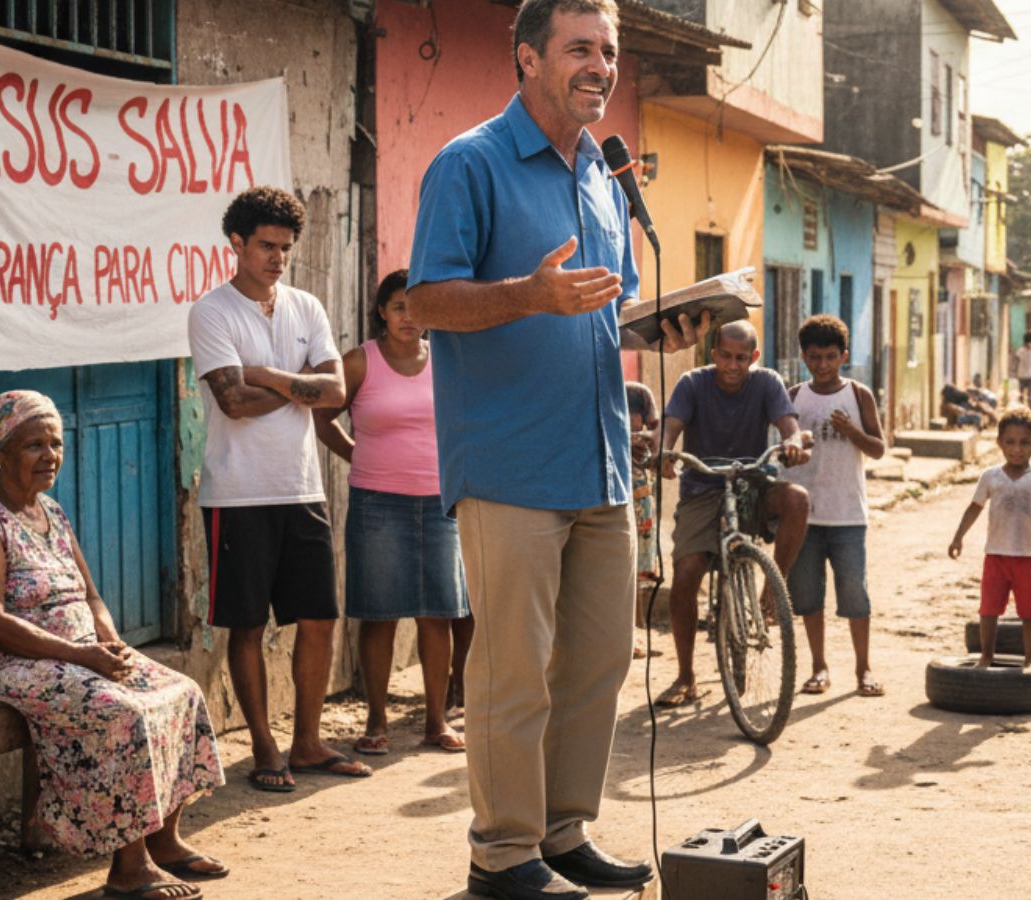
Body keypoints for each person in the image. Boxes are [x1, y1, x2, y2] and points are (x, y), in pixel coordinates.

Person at [404, 2, 706, 896]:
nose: (601, 66)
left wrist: (667, 328)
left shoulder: (606, 179)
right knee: (512, 670)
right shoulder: (470, 164)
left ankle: (563, 831)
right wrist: (528, 297)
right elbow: (426, 303)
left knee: (600, 657)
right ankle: (502, 853)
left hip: (601, 459)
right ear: (527, 57)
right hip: (506, 465)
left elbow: (606, 313)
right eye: (581, 49)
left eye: (609, 52)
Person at [0, 391, 225, 900]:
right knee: (118, 711)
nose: (49, 455)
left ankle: (164, 840)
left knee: (179, 691)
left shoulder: (50, 511)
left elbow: (90, 595)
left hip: (75, 651)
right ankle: (128, 869)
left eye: (55, 443)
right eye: (33, 445)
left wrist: (110, 642)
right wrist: (79, 655)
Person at [187, 186, 371, 792]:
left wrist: (266, 374)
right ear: (236, 243)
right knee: (245, 626)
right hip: (237, 494)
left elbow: (339, 393)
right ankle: (265, 748)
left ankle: (308, 742)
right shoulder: (212, 312)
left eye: (285, 248)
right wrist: (299, 385)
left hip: (301, 488)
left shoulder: (306, 307)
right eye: (266, 245)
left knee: (319, 617)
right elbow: (234, 403)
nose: (277, 257)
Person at [313, 270, 473, 755]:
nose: (409, 317)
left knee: (437, 616)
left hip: (439, 502)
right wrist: (359, 456)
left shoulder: (445, 359)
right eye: (399, 306)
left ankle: (435, 721)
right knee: (379, 615)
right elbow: (322, 418)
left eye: (416, 307)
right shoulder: (361, 362)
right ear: (381, 311)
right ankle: (376, 722)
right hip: (377, 503)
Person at [658, 320, 811, 707]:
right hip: (703, 490)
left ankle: (772, 593)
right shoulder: (693, 383)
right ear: (713, 354)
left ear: (753, 358)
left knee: (798, 499)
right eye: (725, 355)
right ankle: (686, 675)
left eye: (741, 358)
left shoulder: (767, 383)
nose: (732, 364)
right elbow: (670, 426)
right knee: (687, 573)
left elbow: (789, 425)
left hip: (752, 485)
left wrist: (794, 441)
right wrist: (663, 450)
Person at [784, 315, 887, 697]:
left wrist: (852, 432)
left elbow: (878, 449)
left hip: (848, 514)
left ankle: (864, 669)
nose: (822, 365)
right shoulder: (794, 396)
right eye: (814, 357)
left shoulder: (858, 394)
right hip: (805, 517)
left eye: (830, 356)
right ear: (803, 356)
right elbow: (781, 451)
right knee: (809, 597)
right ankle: (819, 668)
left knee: (855, 594)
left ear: (843, 356)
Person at [946, 407, 1031, 667]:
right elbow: (975, 507)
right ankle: (986, 657)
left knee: (1030, 614)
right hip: (996, 556)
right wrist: (958, 537)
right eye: (1010, 442)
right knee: (988, 610)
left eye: (1024, 443)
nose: (1016, 449)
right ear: (1000, 443)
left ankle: (1030, 662)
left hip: (1029, 559)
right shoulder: (991, 477)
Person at [626, 381, 661, 660]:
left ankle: (636, 633)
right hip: (611, 486)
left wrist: (644, 439)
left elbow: (657, 429)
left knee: (638, 565)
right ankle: (629, 636)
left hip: (638, 486)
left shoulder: (638, 392)